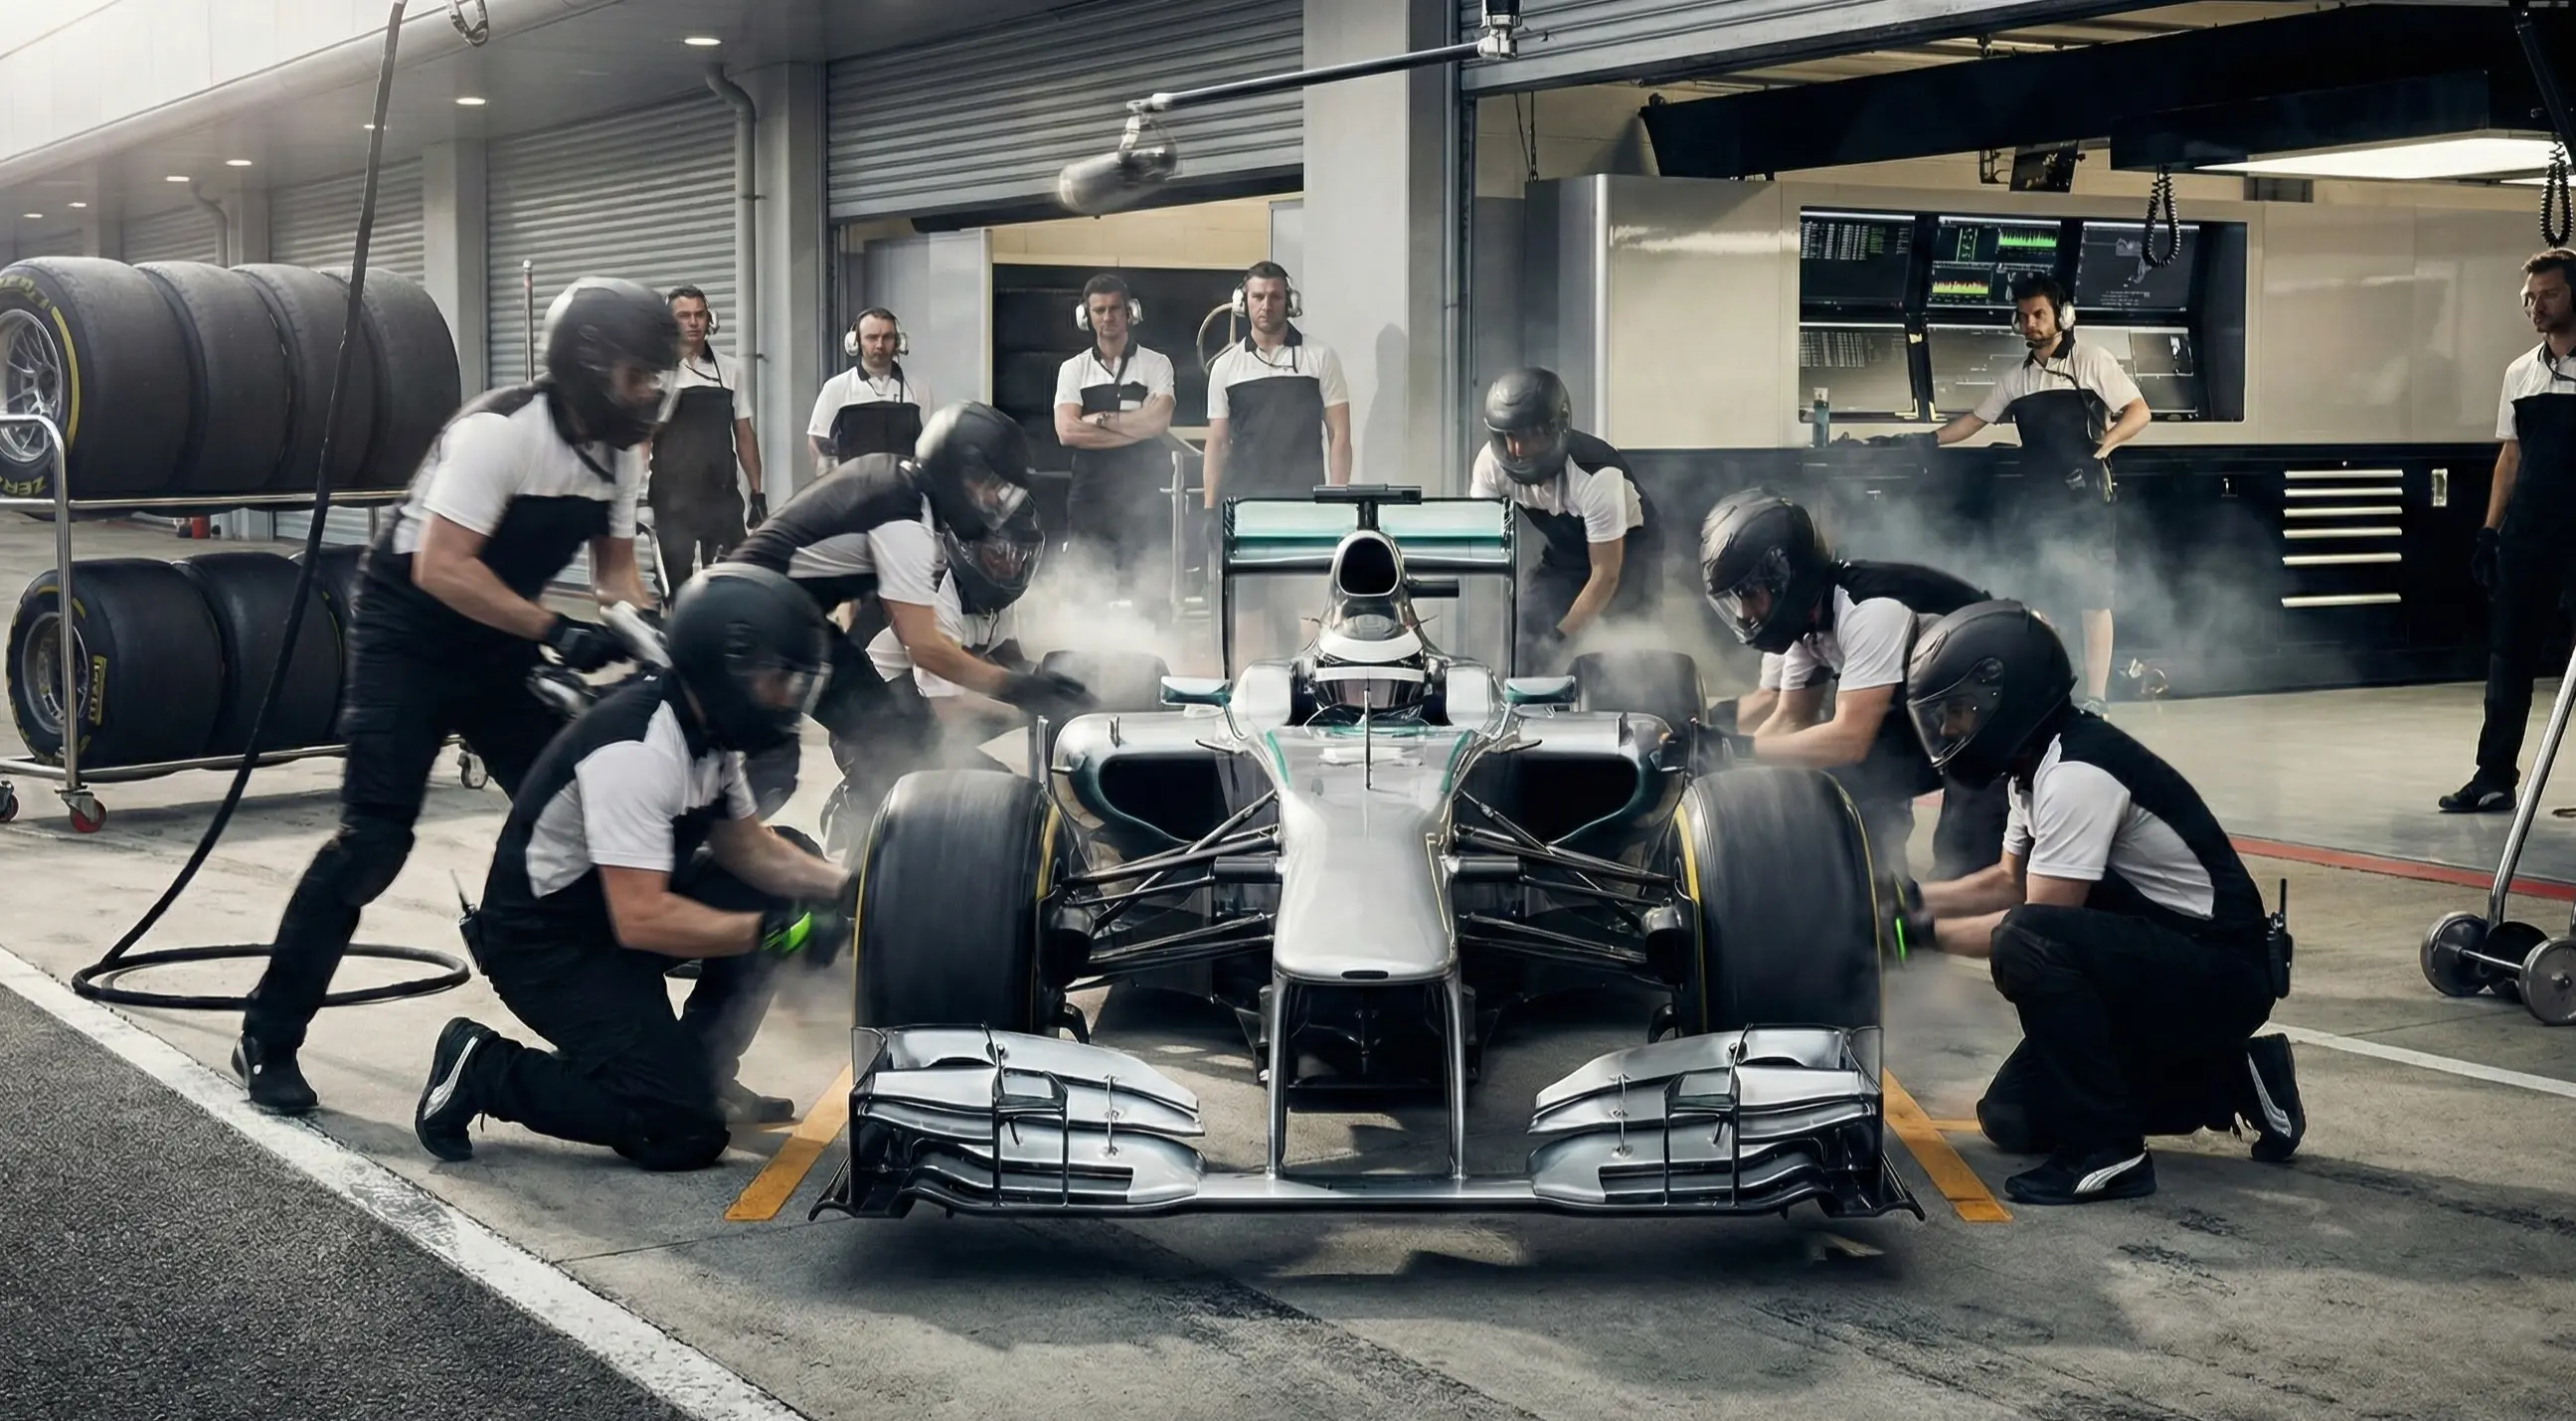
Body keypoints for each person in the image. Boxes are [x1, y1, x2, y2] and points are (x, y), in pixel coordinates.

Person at [235, 277, 674, 1115]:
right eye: (638, 374)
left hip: (496, 643)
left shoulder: (618, 452)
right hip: (410, 638)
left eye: (658, 375)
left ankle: (646, 1051)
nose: (650, 391)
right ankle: (268, 1032)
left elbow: (616, 577)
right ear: (588, 366)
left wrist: (656, 637)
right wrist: (554, 628)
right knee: (373, 842)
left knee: (587, 822)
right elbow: (442, 567)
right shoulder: (499, 434)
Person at [413, 565, 861, 1168]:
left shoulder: (709, 732)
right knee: (681, 1131)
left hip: (612, 917)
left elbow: (750, 851)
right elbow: (643, 920)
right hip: (551, 950)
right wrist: (771, 933)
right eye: (778, 680)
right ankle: (484, 1067)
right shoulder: (638, 752)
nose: (788, 698)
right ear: (725, 668)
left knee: (795, 862)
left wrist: (854, 887)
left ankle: (702, 1069)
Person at [1895, 600, 2304, 1205]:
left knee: (2026, 943)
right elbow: (2008, 880)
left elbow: (2033, 922)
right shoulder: (2036, 767)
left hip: (2220, 971)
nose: (1951, 729)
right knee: (2012, 1116)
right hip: (2162, 958)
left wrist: (1913, 936)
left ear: (2007, 696)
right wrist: (1904, 898)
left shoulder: (2078, 774)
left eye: (1960, 711)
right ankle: (2234, 1078)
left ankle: (2109, 1150)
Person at [724, 402, 1092, 826]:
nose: (995, 503)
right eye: (991, 487)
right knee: (770, 770)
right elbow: (928, 650)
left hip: (795, 621)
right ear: (960, 472)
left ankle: (871, 848)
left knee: (904, 746)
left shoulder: (903, 490)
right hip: (756, 617)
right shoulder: (905, 517)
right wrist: (1022, 690)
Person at [1700, 487, 2006, 880]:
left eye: (1749, 594)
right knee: (1824, 780)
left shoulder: (1867, 609)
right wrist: (1720, 776)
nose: (1744, 612)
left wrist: (1734, 748)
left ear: (1782, 576)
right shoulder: (1808, 624)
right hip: (1937, 714)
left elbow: (1850, 739)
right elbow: (1790, 720)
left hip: (1993, 717)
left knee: (1958, 867)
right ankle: (1876, 878)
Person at [1931, 273, 2149, 712]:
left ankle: (2096, 697)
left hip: (2087, 499)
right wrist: (1924, 441)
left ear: (2062, 316)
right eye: (2024, 316)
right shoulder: (2018, 378)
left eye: (2039, 314)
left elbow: (2139, 411)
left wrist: (2102, 448)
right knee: (2039, 592)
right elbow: (1974, 420)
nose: (2030, 323)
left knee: (2093, 597)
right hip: (2039, 500)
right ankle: (2049, 687)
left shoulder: (2092, 361)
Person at [2443, 249, 2576, 813]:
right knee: (2508, 658)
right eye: (2529, 296)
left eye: (2548, 294)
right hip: (2529, 538)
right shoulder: (2520, 371)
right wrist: (2489, 532)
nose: (2535, 306)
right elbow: (2510, 456)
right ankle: (2494, 776)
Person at [1469, 368, 1661, 670]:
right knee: (1526, 634)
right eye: (1508, 436)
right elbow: (1482, 550)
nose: (1516, 450)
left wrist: (1560, 638)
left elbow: (1605, 574)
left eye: (1528, 436)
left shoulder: (1597, 476)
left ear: (1555, 430)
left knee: (1618, 649)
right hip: (1566, 550)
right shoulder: (1490, 466)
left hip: (1627, 552)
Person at [1052, 273, 1176, 586]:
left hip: (1145, 497)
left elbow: (1159, 422)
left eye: (1114, 308)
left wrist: (1098, 419)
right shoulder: (1073, 369)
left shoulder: (1157, 364)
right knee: (1087, 592)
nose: (1107, 317)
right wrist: (1137, 423)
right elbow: (1067, 432)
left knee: (1149, 591)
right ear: (1086, 316)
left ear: (1129, 312)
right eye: (1099, 310)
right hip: (1089, 499)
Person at [1201, 262, 1352, 506]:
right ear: (1243, 302)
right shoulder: (1225, 366)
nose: (1266, 306)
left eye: (1275, 297)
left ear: (1289, 303)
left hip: (1304, 500)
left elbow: (1340, 435)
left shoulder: (1320, 356)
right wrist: (1209, 506)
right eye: (1258, 297)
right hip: (1243, 502)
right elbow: (1217, 443)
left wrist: (1337, 499)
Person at [648, 285, 765, 591]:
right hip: (673, 499)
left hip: (722, 497)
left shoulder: (730, 369)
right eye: (684, 316)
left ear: (710, 319)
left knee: (733, 580)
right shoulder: (655, 373)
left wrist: (757, 492)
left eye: (700, 315)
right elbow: (642, 438)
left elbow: (744, 434)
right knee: (676, 585)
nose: (693, 322)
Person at [808, 308, 933, 471]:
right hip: (852, 492)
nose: (880, 345)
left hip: (904, 492)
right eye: (872, 338)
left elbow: (930, 446)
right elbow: (817, 442)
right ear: (855, 342)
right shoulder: (836, 388)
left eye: (887, 337)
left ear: (898, 342)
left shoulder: (918, 390)